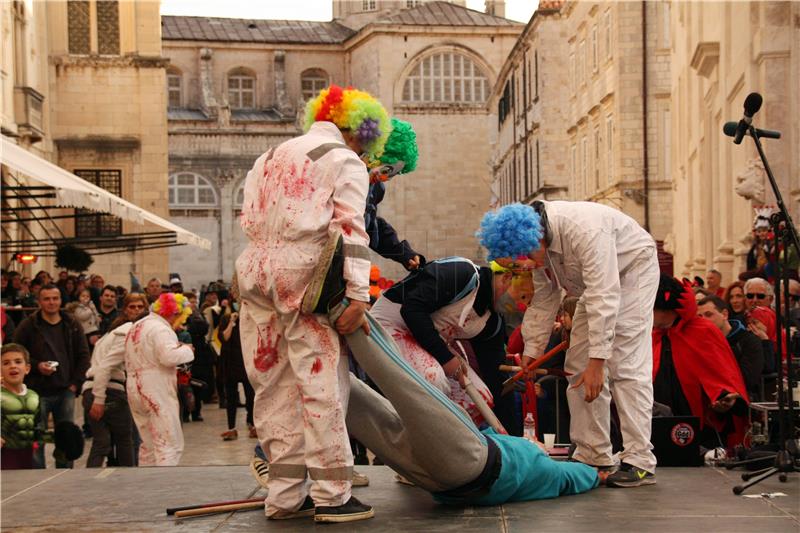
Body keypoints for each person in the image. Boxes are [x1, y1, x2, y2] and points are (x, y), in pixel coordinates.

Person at [236, 84, 388, 522]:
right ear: (359, 129)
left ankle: (283, 495)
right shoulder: (343, 160)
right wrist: (359, 293)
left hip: (255, 272)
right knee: (320, 383)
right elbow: (351, 231)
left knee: (271, 384)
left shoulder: (266, 158)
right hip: (303, 274)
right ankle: (332, 493)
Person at [340, 305, 602, 506]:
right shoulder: (535, 471)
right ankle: (319, 372)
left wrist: (595, 475)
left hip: (475, 462)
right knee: (366, 414)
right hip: (444, 484)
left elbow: (574, 475)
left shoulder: (546, 470)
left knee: (406, 386)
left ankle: (343, 307)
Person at [478, 201, 659, 488]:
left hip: (631, 271)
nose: (531, 267)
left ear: (535, 239)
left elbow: (605, 294)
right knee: (577, 366)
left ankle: (639, 460)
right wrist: (531, 350)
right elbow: (545, 296)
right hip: (593, 288)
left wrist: (598, 362)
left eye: (527, 261)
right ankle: (593, 453)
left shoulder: (585, 231)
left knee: (626, 364)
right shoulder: (535, 243)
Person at [370, 257, 522, 435]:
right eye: (523, 296)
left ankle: (448, 445)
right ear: (506, 278)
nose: (521, 305)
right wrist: (446, 358)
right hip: (391, 325)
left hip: (426, 339)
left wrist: (515, 438)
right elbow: (412, 308)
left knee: (480, 398)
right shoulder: (462, 273)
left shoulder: (491, 322)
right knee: (434, 380)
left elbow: (497, 380)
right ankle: (414, 439)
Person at [652, 276, 749, 449]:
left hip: (702, 431)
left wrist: (724, 400)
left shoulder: (703, 331)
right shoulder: (654, 335)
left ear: (666, 310)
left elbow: (724, 379)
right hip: (657, 426)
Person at [13, 284, 90, 468]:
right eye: (46, 299)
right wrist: (37, 365)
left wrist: (75, 384)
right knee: (37, 435)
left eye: (55, 298)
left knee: (65, 436)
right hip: (36, 391)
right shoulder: (28, 325)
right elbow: (17, 353)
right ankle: (37, 473)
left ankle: (64, 472)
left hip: (65, 390)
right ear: (39, 301)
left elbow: (83, 355)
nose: (51, 302)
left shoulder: (71, 324)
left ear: (60, 300)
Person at [124, 292, 194, 466]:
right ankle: (164, 487)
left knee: (148, 445)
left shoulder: (137, 325)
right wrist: (187, 350)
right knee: (168, 444)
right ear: (173, 313)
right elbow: (168, 357)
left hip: (134, 386)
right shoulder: (160, 328)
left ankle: (147, 486)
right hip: (156, 387)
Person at [81, 294, 148, 467]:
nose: (136, 310)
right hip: (107, 391)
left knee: (102, 443)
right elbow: (105, 367)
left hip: (93, 389)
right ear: (125, 310)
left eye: (140, 307)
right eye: (132, 307)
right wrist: (99, 399)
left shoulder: (112, 332)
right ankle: (128, 482)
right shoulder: (126, 332)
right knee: (126, 441)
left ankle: (88, 481)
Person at [364, 117, 425, 270]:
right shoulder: (343, 171)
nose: (384, 178)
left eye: (391, 176)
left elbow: (372, 227)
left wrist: (404, 254)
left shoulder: (376, 189)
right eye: (386, 170)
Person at [697, 295, 764, 398]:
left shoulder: (748, 341)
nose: (704, 320)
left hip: (741, 400)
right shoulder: (700, 343)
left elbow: (747, 379)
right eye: (700, 317)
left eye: (709, 315)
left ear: (724, 314)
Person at [218, 296, 255, 441]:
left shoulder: (249, 320)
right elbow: (224, 338)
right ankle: (231, 427)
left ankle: (252, 424)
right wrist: (232, 322)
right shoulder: (226, 319)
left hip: (245, 361)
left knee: (250, 396)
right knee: (231, 397)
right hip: (229, 362)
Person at [1, 344, 39, 470]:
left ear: (27, 368)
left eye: (18, 361)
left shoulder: (34, 397)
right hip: (5, 459)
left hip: (29, 457)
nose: (13, 366)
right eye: (6, 363)